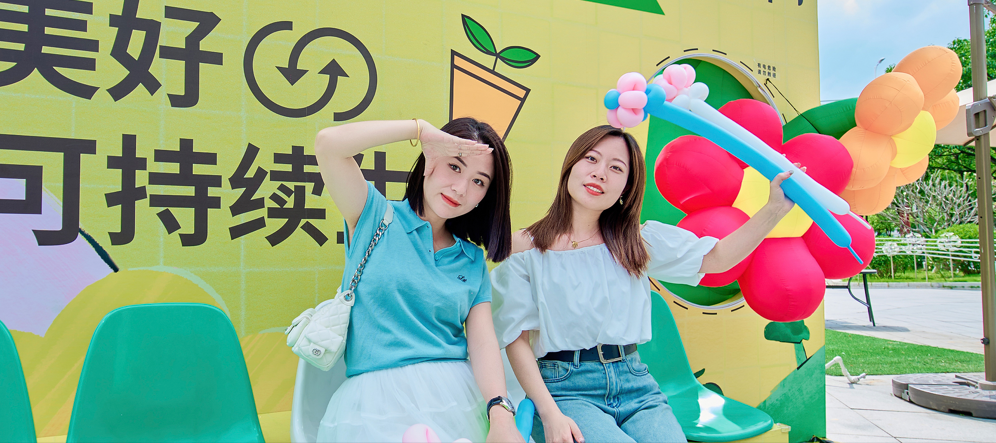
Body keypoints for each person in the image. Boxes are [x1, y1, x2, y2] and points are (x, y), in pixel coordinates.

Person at [492, 125, 797, 443]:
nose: (600, 173)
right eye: (591, 159)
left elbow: (717, 258)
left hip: (635, 381)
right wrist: (549, 413)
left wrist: (774, 209)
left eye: (616, 168)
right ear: (570, 165)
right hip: (564, 389)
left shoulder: (636, 241)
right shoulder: (526, 248)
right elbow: (516, 339)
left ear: (626, 187)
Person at [312, 117, 525, 443]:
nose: (461, 189)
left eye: (478, 181)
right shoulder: (374, 216)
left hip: (455, 397)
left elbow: (482, 343)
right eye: (454, 166)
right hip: (372, 403)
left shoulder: (471, 258)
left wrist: (500, 411)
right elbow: (328, 145)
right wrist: (419, 130)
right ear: (430, 160)